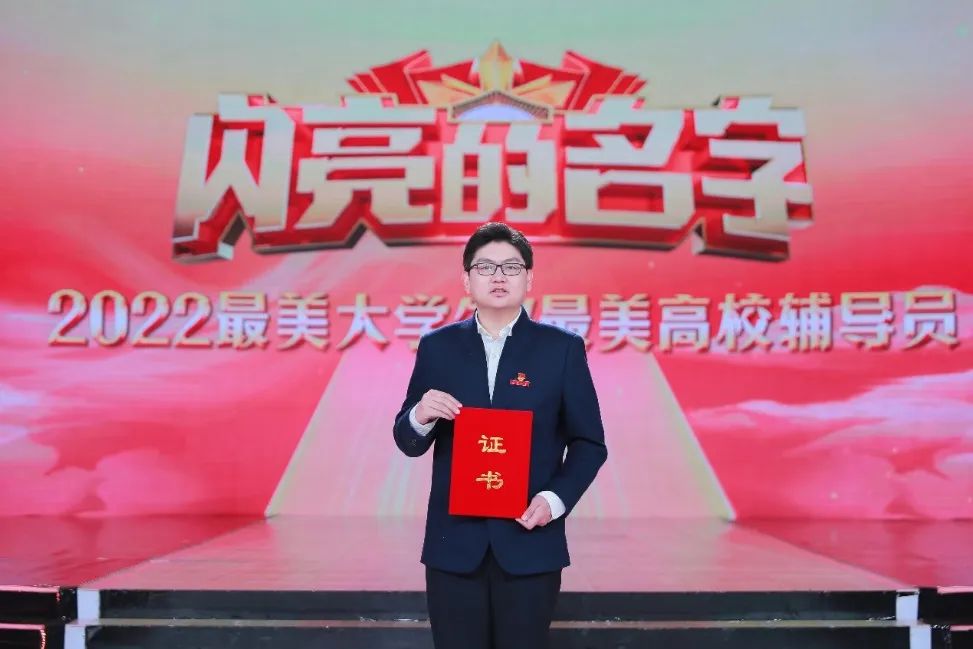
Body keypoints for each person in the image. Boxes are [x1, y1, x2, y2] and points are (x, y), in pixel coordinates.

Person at [392, 222, 608, 649]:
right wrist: (420, 414)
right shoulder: (438, 347)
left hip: (530, 540)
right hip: (454, 545)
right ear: (466, 279)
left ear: (529, 278)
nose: (498, 276)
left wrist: (554, 500)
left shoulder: (561, 349)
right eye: (485, 267)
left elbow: (589, 444)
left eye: (511, 267)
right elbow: (408, 440)